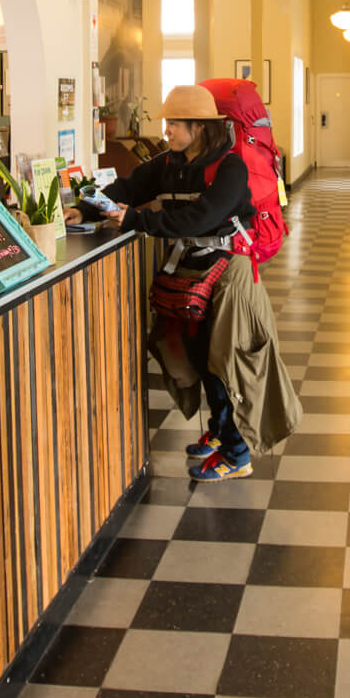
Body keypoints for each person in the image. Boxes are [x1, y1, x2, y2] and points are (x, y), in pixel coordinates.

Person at [83, 85, 301, 481]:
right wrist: (86, 200)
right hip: (193, 266)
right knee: (199, 354)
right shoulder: (171, 162)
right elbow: (131, 187)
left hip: (231, 270)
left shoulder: (231, 168)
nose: (166, 132)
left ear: (198, 127)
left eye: (173, 125)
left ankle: (237, 454)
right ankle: (220, 432)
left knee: (227, 361)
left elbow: (199, 219)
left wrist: (136, 219)